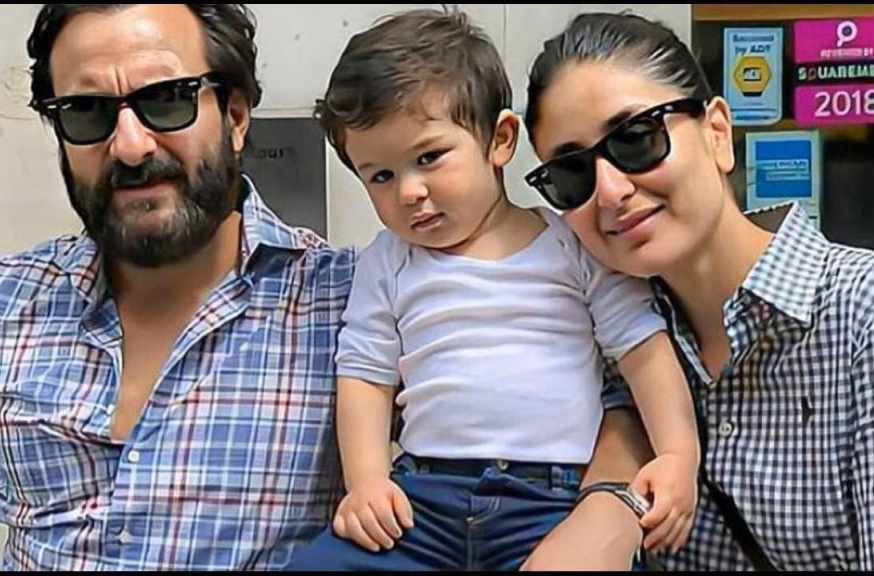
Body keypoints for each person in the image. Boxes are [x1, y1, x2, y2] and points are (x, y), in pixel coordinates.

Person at [0, 4, 355, 570]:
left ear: (236, 116)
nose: (129, 145)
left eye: (166, 99)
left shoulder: (348, 306)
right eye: (86, 111)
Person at [286, 9, 699, 571]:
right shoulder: (387, 260)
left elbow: (642, 348)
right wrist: (366, 482)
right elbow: (364, 373)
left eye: (429, 157)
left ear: (500, 139)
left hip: (552, 501)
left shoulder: (572, 243)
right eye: (379, 175)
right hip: (424, 499)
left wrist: (677, 454)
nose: (408, 191)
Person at [522, 12, 874, 571]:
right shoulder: (604, 345)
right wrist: (608, 500)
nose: (611, 191)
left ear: (716, 132)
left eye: (636, 138)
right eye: (572, 174)